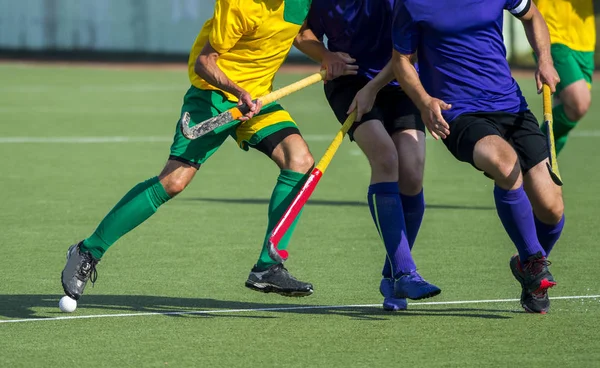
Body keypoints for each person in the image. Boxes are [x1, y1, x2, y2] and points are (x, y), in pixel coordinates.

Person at [61, 0, 346, 301]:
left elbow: (300, 34)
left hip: (261, 98)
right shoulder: (240, 5)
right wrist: (238, 92)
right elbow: (205, 61)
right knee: (173, 182)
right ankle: (87, 250)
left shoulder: (299, 2)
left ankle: (268, 266)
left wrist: (327, 56)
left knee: (299, 161)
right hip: (215, 94)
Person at [391, 0, 565, 313]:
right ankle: (534, 261)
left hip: (511, 106)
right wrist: (423, 100)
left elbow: (532, 16)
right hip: (456, 113)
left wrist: (545, 60)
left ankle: (527, 268)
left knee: (552, 208)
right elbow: (402, 60)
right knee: (504, 163)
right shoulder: (412, 3)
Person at [294, 0, 441, 311]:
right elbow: (304, 33)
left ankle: (393, 276)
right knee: (385, 159)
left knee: (412, 175)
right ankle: (404, 271)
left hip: (399, 79)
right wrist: (326, 56)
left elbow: (409, 51)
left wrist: (373, 87)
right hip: (348, 84)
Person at [534, 0, 595, 155]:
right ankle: (530, 157)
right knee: (578, 102)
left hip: (584, 39)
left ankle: (538, 169)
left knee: (567, 110)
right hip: (551, 34)